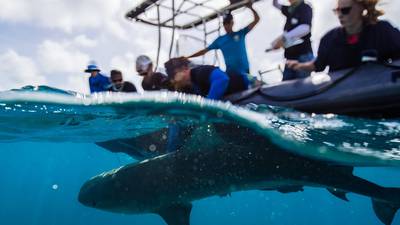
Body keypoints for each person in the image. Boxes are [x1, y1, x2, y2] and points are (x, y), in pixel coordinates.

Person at [287, 0, 400, 73]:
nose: (340, 15)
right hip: (341, 98)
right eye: (337, 11)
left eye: (345, 10)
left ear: (361, 7)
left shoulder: (383, 31)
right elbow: (317, 66)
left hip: (379, 92)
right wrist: (299, 65)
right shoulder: (329, 39)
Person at [185, 3, 260, 87]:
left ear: (232, 22)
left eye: (228, 23)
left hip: (246, 72)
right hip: (231, 74)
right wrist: (187, 57)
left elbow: (256, 19)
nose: (226, 25)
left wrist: (250, 7)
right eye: (225, 23)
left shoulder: (241, 33)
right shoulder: (220, 40)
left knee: (255, 84)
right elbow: (204, 51)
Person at [165, 57, 247, 100]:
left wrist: (207, 108)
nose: (172, 81)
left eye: (172, 75)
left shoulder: (199, 72)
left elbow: (222, 79)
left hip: (248, 89)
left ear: (184, 68)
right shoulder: (189, 88)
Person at [272, 0, 314, 81]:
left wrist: (283, 39)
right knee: (287, 89)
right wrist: (276, 43)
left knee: (303, 88)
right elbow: (275, 4)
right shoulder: (290, 10)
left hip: (303, 56)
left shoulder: (305, 7)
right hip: (290, 58)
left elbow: (305, 28)